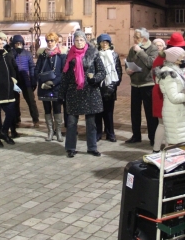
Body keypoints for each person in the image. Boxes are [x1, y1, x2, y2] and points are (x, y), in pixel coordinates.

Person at [59, 30, 106, 158]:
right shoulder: (70, 55)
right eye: (76, 40)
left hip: (90, 92)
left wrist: (94, 79)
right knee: (72, 122)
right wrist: (61, 94)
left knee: (91, 123)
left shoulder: (93, 54)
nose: (79, 42)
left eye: (81, 40)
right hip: (73, 92)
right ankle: (70, 148)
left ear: (85, 41)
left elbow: (102, 72)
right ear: (73, 42)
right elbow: (65, 77)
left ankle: (92, 148)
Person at [151, 33, 185, 152]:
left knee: (165, 127)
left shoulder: (168, 63)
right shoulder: (170, 72)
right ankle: (165, 154)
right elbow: (175, 95)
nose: (184, 59)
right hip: (172, 105)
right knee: (172, 133)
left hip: (168, 101)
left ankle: (157, 149)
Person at [125, 27, 159, 145]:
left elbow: (151, 63)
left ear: (144, 38)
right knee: (135, 112)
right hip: (135, 84)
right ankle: (136, 135)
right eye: (134, 37)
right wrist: (128, 70)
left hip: (148, 84)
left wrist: (140, 51)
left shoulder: (153, 48)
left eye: (136, 37)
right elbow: (127, 62)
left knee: (150, 113)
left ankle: (153, 137)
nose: (134, 39)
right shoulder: (132, 49)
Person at [36, 32, 66, 142]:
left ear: (56, 41)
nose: (49, 43)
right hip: (44, 87)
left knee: (57, 110)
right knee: (47, 110)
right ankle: (50, 131)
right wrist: (42, 83)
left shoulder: (61, 55)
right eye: (48, 41)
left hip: (56, 87)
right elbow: (37, 71)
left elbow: (63, 72)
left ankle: (58, 131)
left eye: (52, 40)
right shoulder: (42, 55)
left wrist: (53, 83)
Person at [95, 34, 123, 143]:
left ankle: (110, 133)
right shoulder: (96, 55)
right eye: (102, 42)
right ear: (99, 43)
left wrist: (114, 85)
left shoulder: (114, 55)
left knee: (109, 113)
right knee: (98, 113)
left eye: (106, 42)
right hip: (98, 87)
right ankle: (98, 133)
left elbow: (119, 72)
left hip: (110, 87)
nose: (105, 44)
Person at [11, 35, 40, 133]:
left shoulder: (27, 54)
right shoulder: (11, 53)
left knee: (31, 101)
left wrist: (33, 79)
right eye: (16, 44)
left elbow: (32, 66)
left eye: (20, 43)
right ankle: (16, 119)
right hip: (15, 80)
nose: (18, 45)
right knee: (15, 102)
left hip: (25, 79)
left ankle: (35, 119)